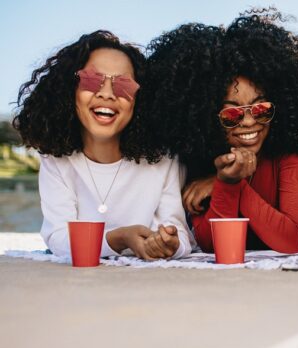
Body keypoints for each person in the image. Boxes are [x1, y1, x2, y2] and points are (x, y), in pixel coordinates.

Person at [145, 11, 298, 254]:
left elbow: (295, 241)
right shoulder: (203, 153)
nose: (248, 122)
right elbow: (209, 244)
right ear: (204, 117)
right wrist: (228, 182)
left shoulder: (293, 151)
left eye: (261, 109)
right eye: (231, 115)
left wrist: (225, 184)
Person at [13, 31, 194, 260]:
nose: (107, 94)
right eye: (92, 80)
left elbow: (181, 236)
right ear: (70, 90)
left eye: (123, 85)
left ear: (140, 99)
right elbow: (59, 238)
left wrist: (169, 243)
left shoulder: (163, 160)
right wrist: (118, 238)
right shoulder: (56, 161)